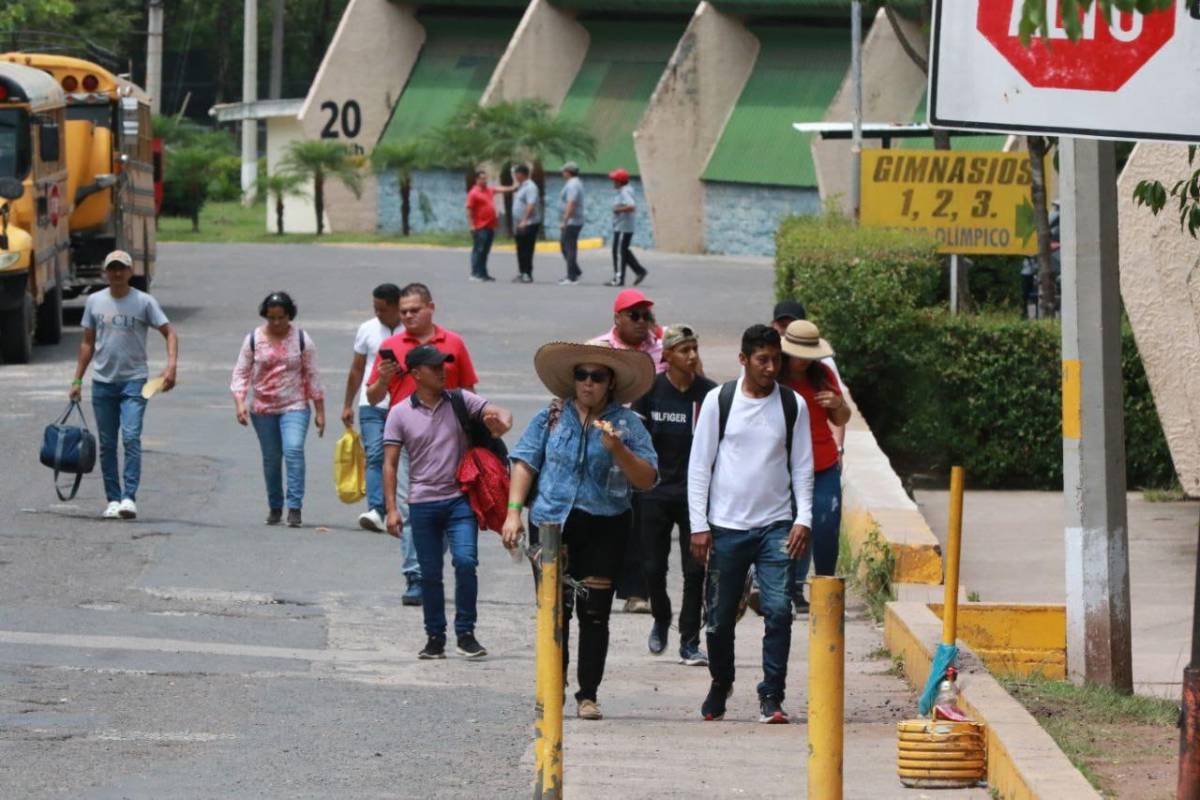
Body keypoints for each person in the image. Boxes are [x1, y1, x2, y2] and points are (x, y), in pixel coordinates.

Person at [503, 343, 658, 720]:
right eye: (581, 375)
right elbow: (525, 462)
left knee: (595, 613)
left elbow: (648, 478)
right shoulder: (551, 417)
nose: (588, 383)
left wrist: (618, 450)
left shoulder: (628, 424)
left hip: (605, 525)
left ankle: (587, 694)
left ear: (611, 383)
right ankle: (552, 687)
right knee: (554, 611)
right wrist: (513, 513)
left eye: (597, 377)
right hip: (552, 523)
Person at [688, 324, 814, 724]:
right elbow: (699, 466)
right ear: (743, 359)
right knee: (719, 618)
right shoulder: (719, 401)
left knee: (779, 611)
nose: (770, 368)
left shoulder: (793, 405)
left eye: (776, 360)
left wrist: (804, 517)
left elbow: (803, 466)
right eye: (762, 360)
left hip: (776, 526)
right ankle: (721, 681)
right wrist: (698, 524)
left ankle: (772, 694)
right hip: (726, 527)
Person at [383, 345, 512, 660]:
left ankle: (466, 634)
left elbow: (498, 411)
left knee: (466, 562)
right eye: (434, 367)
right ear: (416, 374)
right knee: (429, 574)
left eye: (443, 366)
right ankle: (435, 637)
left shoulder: (459, 400)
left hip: (460, 501)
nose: (442, 372)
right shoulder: (399, 413)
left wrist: (503, 422)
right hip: (422, 504)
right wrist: (391, 509)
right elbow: (389, 464)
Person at [365, 283, 479, 605]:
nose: (408, 316)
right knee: (411, 508)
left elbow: (469, 391)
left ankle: (428, 564)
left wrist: (478, 436)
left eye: (415, 310)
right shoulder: (391, 346)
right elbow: (373, 397)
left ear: (431, 307)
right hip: (407, 441)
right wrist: (384, 378)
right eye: (403, 312)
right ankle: (416, 575)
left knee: (447, 509)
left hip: (449, 443)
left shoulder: (453, 343)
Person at [630, 324, 716, 665]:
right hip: (654, 493)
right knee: (652, 567)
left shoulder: (710, 394)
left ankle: (689, 641)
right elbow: (635, 440)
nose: (692, 356)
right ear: (667, 356)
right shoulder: (650, 391)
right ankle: (661, 616)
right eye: (684, 350)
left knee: (695, 571)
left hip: (695, 496)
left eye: (695, 349)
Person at [70, 250, 179, 520]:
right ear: (105, 272)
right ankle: (113, 499)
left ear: (130, 272)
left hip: (134, 381)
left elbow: (169, 332)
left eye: (122, 268)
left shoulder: (144, 302)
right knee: (107, 444)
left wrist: (171, 366)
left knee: (130, 437)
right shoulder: (95, 301)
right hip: (103, 382)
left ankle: (129, 497)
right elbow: (87, 342)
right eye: (112, 268)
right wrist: (77, 380)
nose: (117, 273)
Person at [589, 288, 666, 613]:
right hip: (607, 438)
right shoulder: (599, 348)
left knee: (642, 519)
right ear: (617, 318)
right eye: (634, 315)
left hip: (649, 440)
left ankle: (637, 592)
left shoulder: (663, 348)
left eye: (646, 316)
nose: (641, 322)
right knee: (603, 513)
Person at [770, 299, 847, 613]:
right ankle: (789, 591)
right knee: (789, 528)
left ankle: (826, 589)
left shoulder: (823, 374)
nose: (803, 360)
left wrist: (837, 405)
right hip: (783, 467)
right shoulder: (772, 375)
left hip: (823, 464)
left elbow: (841, 418)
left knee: (826, 526)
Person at [231, 292, 326, 528]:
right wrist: (240, 402)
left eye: (281, 318)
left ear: (289, 316)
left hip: (295, 405)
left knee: (293, 449)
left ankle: (294, 507)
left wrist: (320, 410)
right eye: (271, 318)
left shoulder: (302, 339)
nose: (276, 323)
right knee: (272, 458)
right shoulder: (253, 339)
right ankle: (275, 505)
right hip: (263, 408)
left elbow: (312, 374)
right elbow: (241, 372)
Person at [340, 283, 402, 534]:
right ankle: (377, 510)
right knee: (375, 453)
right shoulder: (366, 329)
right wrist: (347, 404)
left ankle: (397, 508)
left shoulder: (411, 331)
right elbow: (357, 368)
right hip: (371, 403)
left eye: (382, 309)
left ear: (397, 306)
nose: (377, 313)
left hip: (403, 405)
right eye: (375, 308)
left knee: (399, 458)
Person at [465, 170, 515, 282]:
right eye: (482, 178)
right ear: (477, 180)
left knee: (485, 252)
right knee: (479, 250)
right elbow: (469, 210)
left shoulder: (488, 190)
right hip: (480, 227)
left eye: (485, 178)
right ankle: (475, 274)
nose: (485, 181)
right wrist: (471, 225)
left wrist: (513, 188)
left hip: (490, 226)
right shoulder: (473, 193)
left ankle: (483, 273)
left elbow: (499, 189)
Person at [607, 168, 647, 287]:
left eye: (614, 180)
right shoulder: (625, 190)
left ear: (619, 181)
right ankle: (640, 271)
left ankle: (618, 279)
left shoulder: (625, 191)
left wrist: (618, 210)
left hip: (623, 228)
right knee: (623, 251)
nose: (613, 182)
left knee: (618, 252)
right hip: (623, 227)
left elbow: (631, 206)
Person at [511, 164, 542, 284]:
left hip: (528, 223)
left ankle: (527, 274)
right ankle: (522, 272)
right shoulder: (521, 186)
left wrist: (524, 220)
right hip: (520, 223)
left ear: (521, 174)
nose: (514, 176)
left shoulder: (530, 187)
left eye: (516, 174)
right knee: (520, 248)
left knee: (527, 249)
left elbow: (531, 204)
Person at [558, 162, 585, 285]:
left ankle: (571, 277)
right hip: (572, 220)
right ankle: (575, 271)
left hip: (572, 221)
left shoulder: (573, 184)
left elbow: (571, 203)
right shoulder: (573, 183)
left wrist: (565, 220)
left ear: (568, 172)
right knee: (565, 246)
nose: (562, 173)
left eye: (563, 171)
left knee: (569, 248)